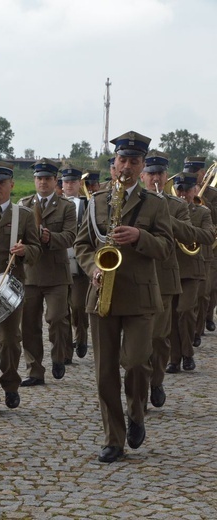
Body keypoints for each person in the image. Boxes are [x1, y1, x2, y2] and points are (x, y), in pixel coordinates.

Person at [74, 131, 174, 463]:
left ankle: (136, 412)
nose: (126, 166)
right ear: (114, 163)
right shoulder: (97, 201)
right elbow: (82, 246)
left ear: (143, 165)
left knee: (136, 363)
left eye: (134, 161)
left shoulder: (156, 204)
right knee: (104, 372)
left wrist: (140, 236)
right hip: (102, 293)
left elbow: (167, 247)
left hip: (140, 297)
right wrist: (92, 268)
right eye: (122, 160)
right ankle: (113, 439)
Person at [0, 161, 41, 417]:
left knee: (10, 341)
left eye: (1, 183)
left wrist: (26, 251)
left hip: (9, 287)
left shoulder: (22, 215)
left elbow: (36, 250)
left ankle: (11, 384)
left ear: (11, 185)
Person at [140, 151, 195, 407]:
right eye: (151, 174)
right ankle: (138, 390)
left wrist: (162, 212)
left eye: (160, 174)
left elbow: (188, 234)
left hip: (163, 279)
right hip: (135, 279)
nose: (156, 178)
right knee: (136, 339)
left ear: (167, 177)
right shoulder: (131, 202)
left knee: (159, 338)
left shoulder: (179, 206)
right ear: (143, 176)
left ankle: (156, 380)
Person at [18, 157, 77, 386]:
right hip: (30, 273)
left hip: (56, 274)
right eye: (39, 178)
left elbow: (71, 236)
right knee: (29, 324)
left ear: (55, 181)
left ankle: (59, 357)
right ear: (35, 180)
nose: (43, 183)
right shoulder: (24, 205)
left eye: (47, 179)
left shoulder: (66, 207)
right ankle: (34, 370)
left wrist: (49, 237)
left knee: (56, 318)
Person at [166, 170, 215, 373]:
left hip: (192, 270)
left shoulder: (202, 212)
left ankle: (187, 353)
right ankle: (175, 359)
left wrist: (182, 229)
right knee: (170, 316)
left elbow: (209, 235)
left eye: (187, 190)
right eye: (180, 190)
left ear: (194, 190)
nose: (183, 194)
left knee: (185, 311)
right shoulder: (168, 209)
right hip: (170, 268)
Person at [61, 165, 89, 361]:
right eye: (66, 182)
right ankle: (66, 351)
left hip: (80, 265)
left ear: (79, 184)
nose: (69, 185)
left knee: (78, 306)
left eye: (73, 182)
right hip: (60, 264)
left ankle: (81, 336)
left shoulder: (88, 205)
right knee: (62, 310)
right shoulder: (57, 205)